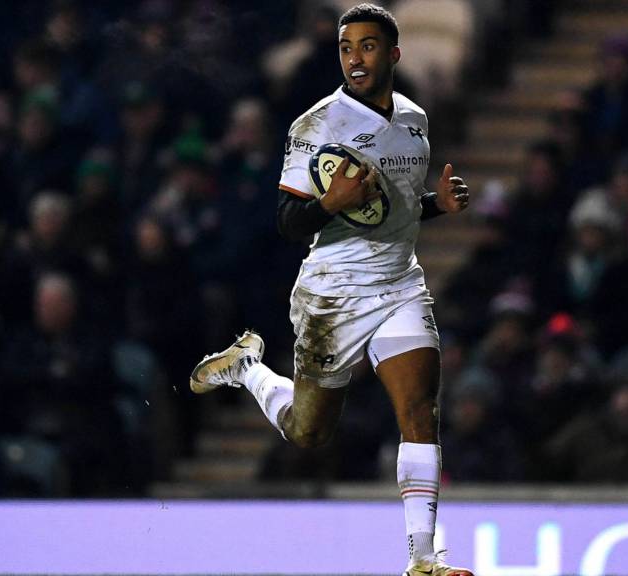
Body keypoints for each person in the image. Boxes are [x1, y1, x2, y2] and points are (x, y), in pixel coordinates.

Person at [187, 5, 472, 575]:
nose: (355, 58)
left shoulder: (414, 121)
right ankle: (248, 368)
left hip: (399, 284)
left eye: (367, 47)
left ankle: (422, 561)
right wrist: (329, 204)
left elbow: (393, 213)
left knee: (420, 409)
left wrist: (436, 206)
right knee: (308, 432)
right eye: (346, 48)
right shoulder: (315, 126)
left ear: (392, 54)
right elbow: (289, 222)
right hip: (333, 292)